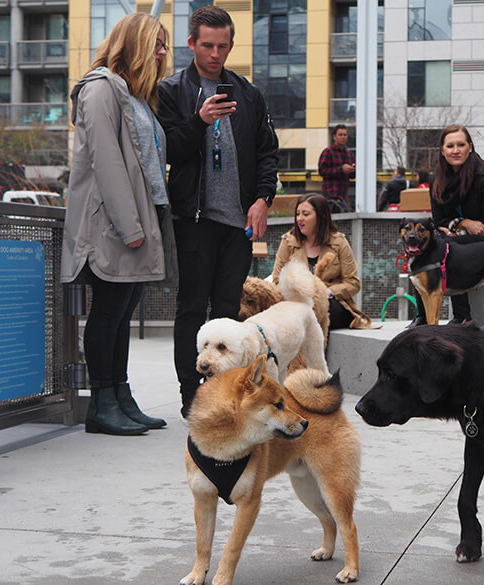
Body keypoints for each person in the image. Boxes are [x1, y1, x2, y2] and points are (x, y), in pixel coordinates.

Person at [157, 5, 279, 418]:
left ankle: (224, 392)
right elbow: (167, 149)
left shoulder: (248, 93)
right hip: (192, 221)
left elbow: (267, 153)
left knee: (229, 311)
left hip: (238, 224)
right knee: (191, 307)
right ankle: (190, 395)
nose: (215, 53)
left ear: (231, 45)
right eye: (207, 45)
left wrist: (263, 199)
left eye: (222, 46)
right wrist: (199, 120)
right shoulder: (171, 91)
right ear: (191, 43)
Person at [61, 13, 172, 435]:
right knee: (107, 314)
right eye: (157, 44)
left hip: (138, 221)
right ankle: (101, 404)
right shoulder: (100, 88)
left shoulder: (136, 95)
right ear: (136, 43)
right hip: (110, 228)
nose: (163, 52)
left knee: (122, 314)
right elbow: (107, 164)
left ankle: (121, 397)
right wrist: (130, 227)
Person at [409, 124, 484, 328]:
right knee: (424, 249)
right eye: (450, 146)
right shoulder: (436, 178)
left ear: (470, 147)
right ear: (442, 150)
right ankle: (422, 316)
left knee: (450, 246)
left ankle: (462, 316)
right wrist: (461, 223)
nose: (455, 150)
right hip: (457, 235)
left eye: (461, 145)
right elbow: (438, 219)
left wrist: (455, 229)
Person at [271, 193, 375, 329]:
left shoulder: (339, 242)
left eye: (306, 214)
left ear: (321, 216)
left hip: (330, 304)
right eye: (297, 214)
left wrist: (329, 292)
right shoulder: (288, 242)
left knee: (322, 309)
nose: (300, 219)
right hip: (298, 303)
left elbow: (353, 283)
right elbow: (277, 281)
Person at [318, 124, 355, 212]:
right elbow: (322, 171)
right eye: (340, 135)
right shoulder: (328, 152)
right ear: (334, 137)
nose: (343, 137)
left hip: (343, 196)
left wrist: (353, 170)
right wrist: (341, 169)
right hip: (330, 196)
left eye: (345, 135)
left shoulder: (349, 153)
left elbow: (352, 176)